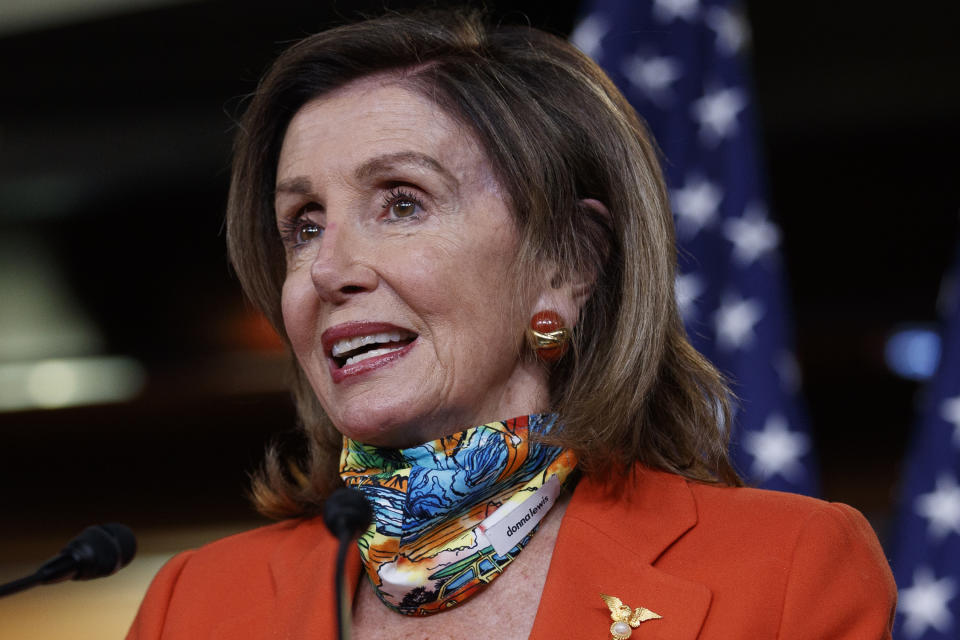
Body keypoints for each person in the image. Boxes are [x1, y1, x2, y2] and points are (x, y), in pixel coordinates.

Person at [127, 9, 895, 639]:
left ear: (569, 263)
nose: (330, 270)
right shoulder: (194, 606)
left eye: (402, 202)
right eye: (303, 224)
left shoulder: (786, 570)